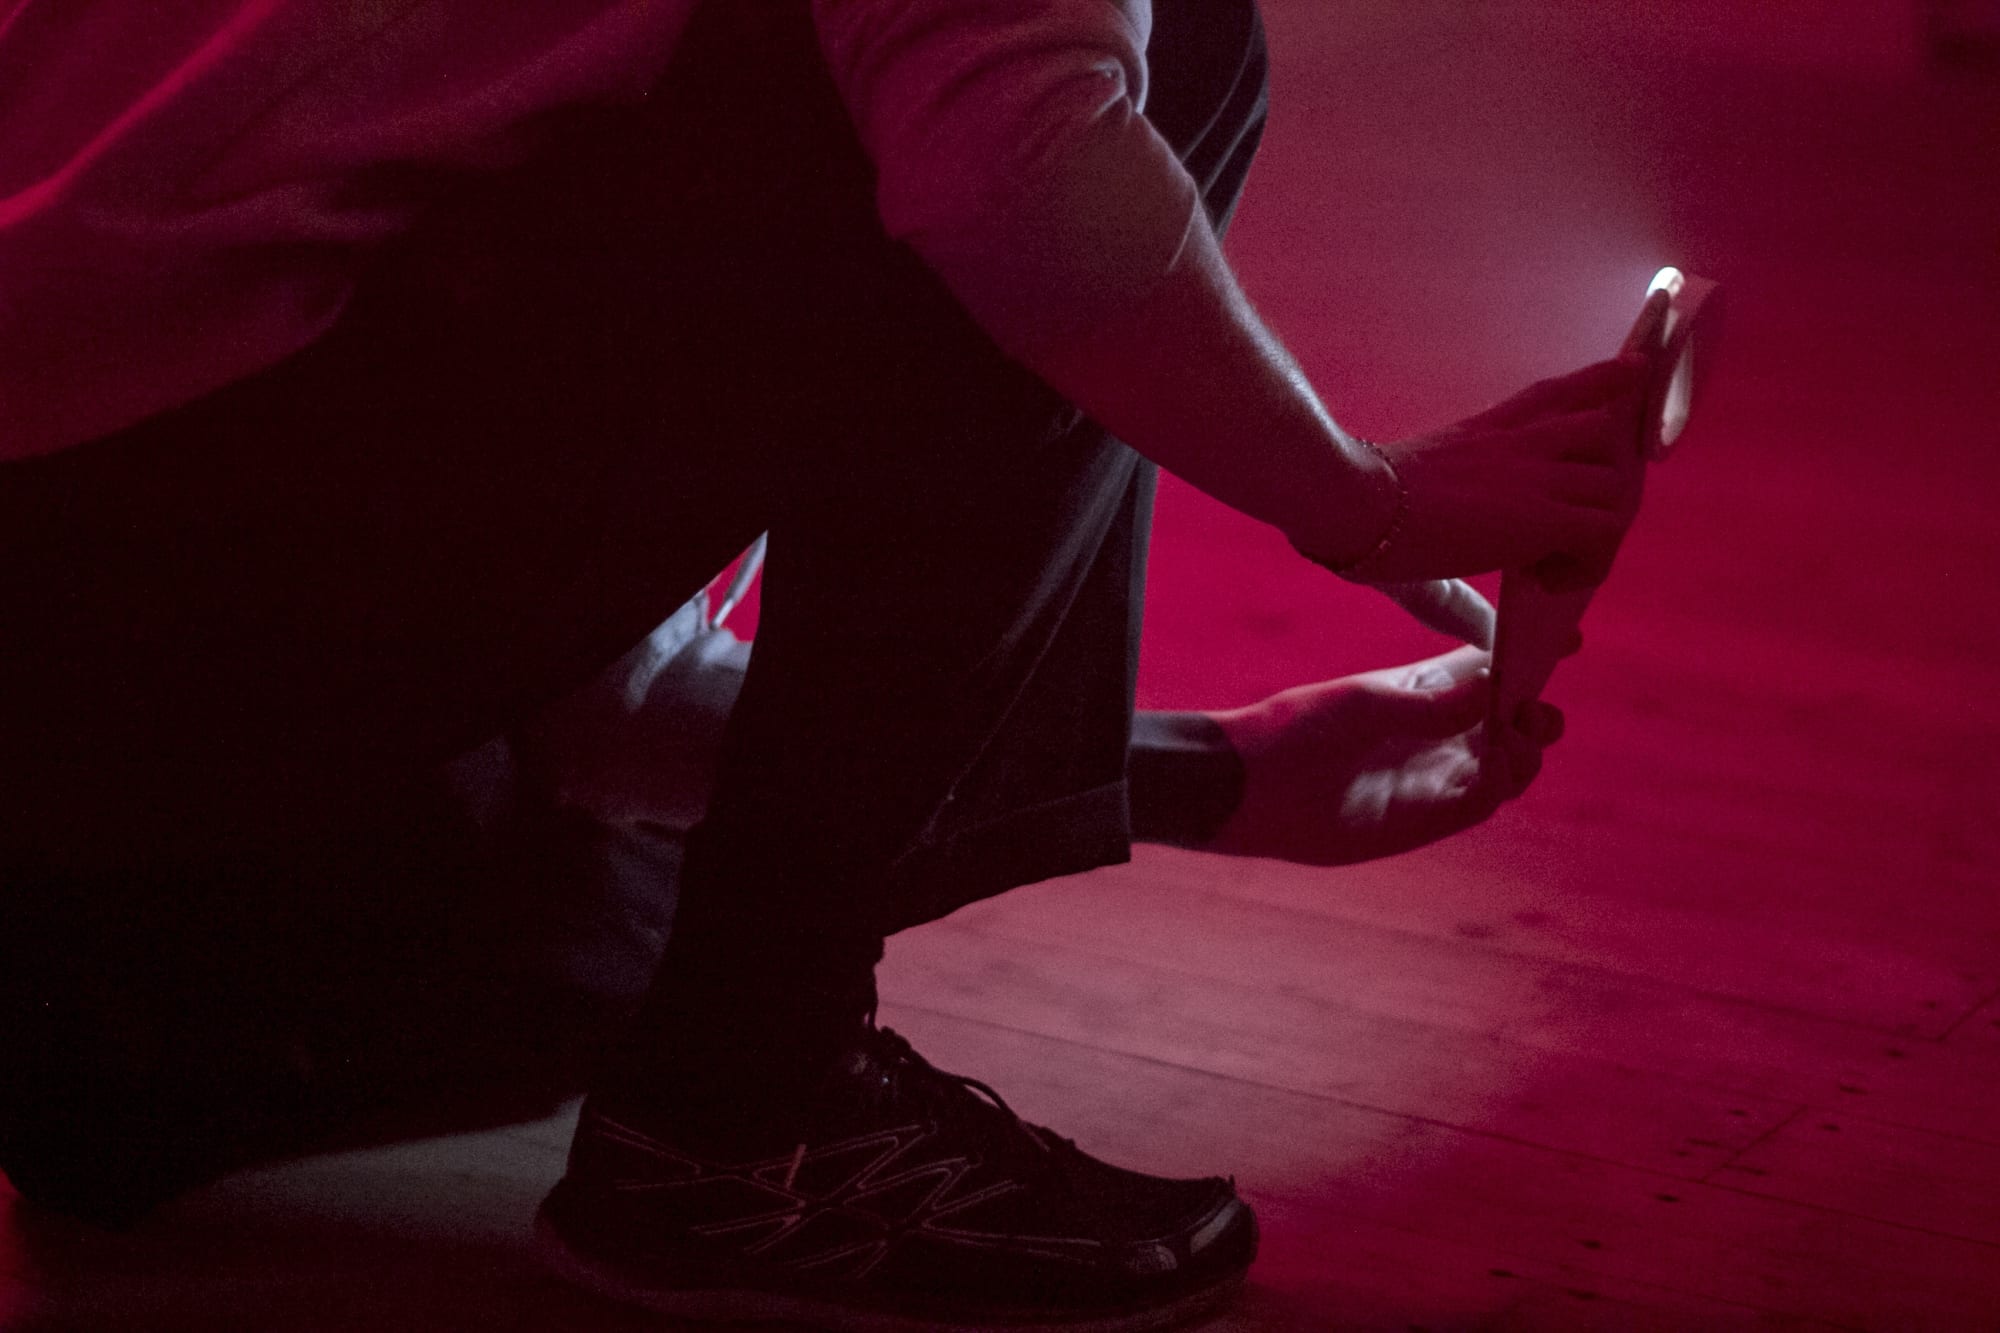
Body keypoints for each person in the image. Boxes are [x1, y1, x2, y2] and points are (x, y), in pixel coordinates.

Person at [0, 1, 1640, 1328]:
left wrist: (1207, 779)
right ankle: (747, 1119)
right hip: (150, 612)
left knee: (603, 936)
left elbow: (584, 704)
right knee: (1164, 58)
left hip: (67, 785)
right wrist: (1369, 499)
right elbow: (1019, 183)